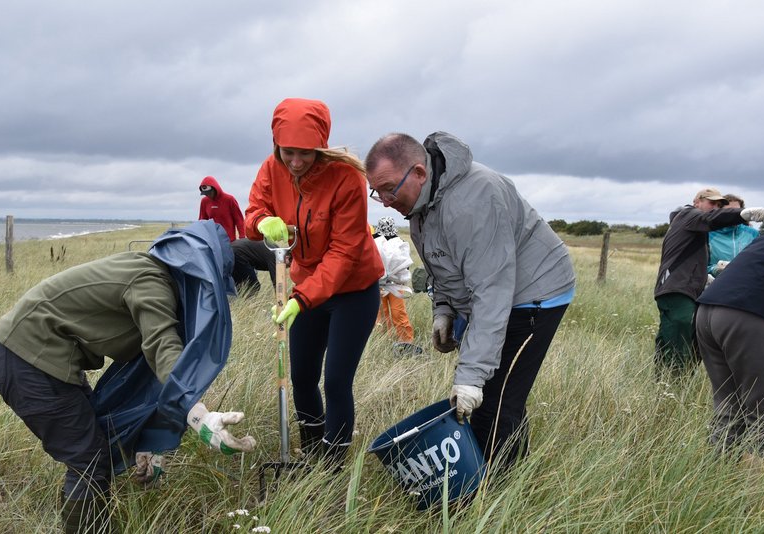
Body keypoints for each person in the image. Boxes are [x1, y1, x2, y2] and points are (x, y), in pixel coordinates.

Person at [0, 221, 256, 533]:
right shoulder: (152, 283)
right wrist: (202, 419)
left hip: (39, 355)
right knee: (88, 460)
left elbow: (147, 381)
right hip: (28, 358)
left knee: (93, 448)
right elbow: (163, 351)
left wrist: (151, 446)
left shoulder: (148, 271)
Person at [365, 131, 575, 473]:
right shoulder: (420, 204)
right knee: (498, 394)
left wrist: (471, 377)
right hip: (493, 294)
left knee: (492, 402)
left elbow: (493, 292)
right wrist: (443, 310)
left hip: (534, 294)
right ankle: (508, 472)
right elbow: (443, 265)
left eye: (389, 189)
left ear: (419, 172)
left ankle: (498, 489)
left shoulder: (473, 201)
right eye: (377, 192)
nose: (385, 202)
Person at [245, 97, 383, 466]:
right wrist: (261, 222)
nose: (295, 161)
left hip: (354, 291)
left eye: (305, 153)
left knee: (336, 380)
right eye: (287, 151)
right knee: (302, 377)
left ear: (321, 146)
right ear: (276, 144)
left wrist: (301, 299)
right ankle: (311, 456)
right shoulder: (271, 168)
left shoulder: (347, 177)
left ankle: (332, 466)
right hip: (306, 288)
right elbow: (253, 211)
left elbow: (344, 253)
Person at [653, 188, 764, 375]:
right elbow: (711, 218)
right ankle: (675, 380)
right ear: (697, 201)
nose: (715, 207)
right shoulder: (688, 215)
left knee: (681, 334)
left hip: (688, 288)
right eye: (712, 203)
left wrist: (710, 273)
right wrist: (742, 214)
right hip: (677, 287)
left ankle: (666, 378)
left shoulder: (698, 229)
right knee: (679, 331)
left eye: (719, 205)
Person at [696, 223, 764, 473]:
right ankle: (758, 495)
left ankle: (716, 482)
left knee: (729, 407)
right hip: (750, 314)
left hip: (709, 311)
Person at [372, 216, 422, 355]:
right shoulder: (375, 242)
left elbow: (403, 264)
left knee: (395, 313)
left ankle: (406, 343)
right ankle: (384, 342)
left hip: (394, 285)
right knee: (383, 315)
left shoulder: (398, 242)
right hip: (381, 284)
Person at [707, 193, 760, 279]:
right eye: (729, 211)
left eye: (738, 211)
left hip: (746, 283)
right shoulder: (708, 234)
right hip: (716, 284)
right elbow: (698, 266)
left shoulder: (753, 233)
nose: (734, 214)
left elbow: (760, 261)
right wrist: (714, 269)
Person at [199, 175, 246, 242]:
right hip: (213, 240)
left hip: (229, 240)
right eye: (205, 194)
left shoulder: (229, 199)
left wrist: (242, 237)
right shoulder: (204, 201)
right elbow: (202, 221)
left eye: (209, 193)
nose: (207, 195)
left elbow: (239, 220)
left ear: (215, 188)